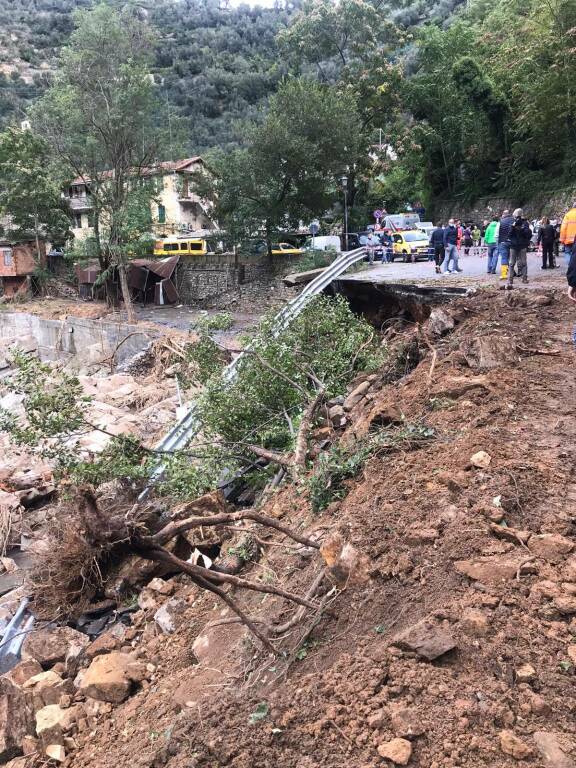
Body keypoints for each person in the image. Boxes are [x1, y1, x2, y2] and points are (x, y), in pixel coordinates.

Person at [506, 208, 532, 289]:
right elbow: (509, 234)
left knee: (519, 262)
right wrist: (513, 227)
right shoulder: (513, 222)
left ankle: (523, 278)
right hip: (516, 245)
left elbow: (528, 234)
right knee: (512, 263)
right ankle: (511, 280)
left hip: (520, 245)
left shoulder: (524, 223)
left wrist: (522, 229)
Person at [498, 209, 514, 280]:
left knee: (504, 258)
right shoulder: (513, 220)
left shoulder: (500, 222)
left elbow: (496, 234)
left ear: (503, 214)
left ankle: (504, 274)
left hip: (503, 242)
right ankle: (512, 272)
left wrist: (498, 242)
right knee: (511, 258)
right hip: (512, 242)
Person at [560, 202, 576, 267]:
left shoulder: (568, 215)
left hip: (568, 240)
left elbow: (563, 228)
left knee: (567, 253)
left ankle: (571, 267)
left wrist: (562, 240)